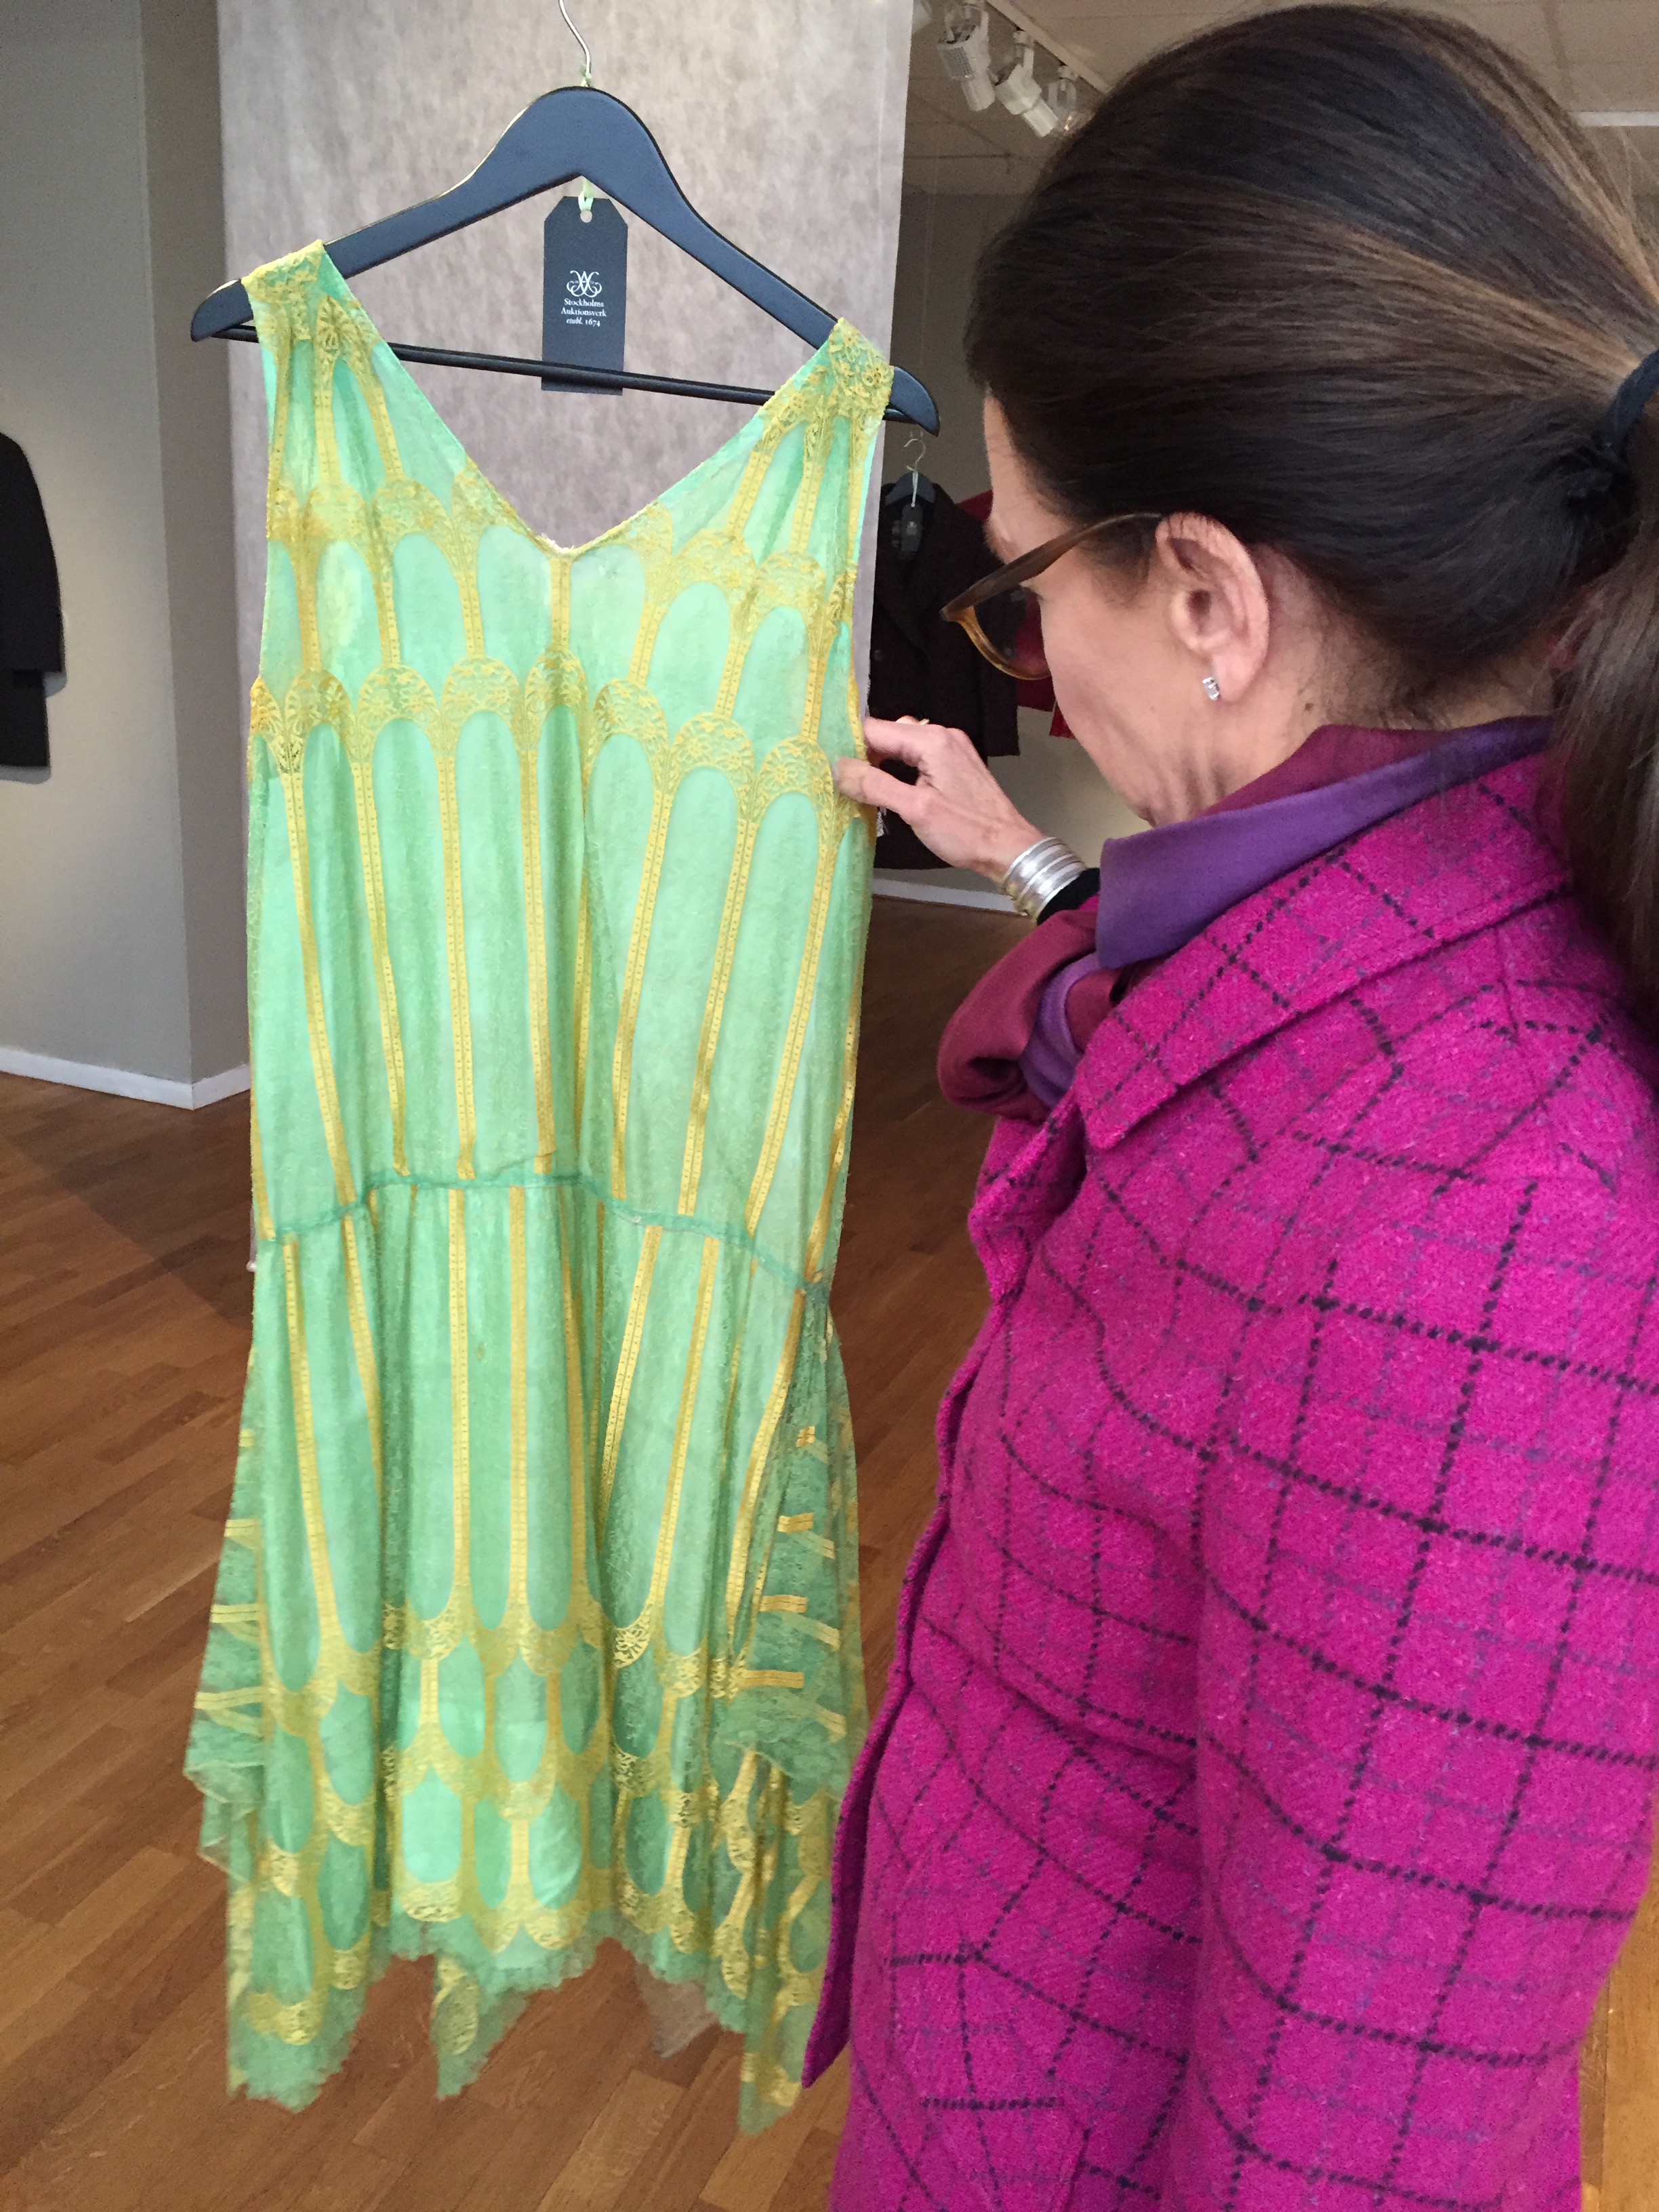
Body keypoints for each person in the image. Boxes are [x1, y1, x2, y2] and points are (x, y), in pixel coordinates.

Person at [802, 7, 1659, 2207]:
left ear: (1205, 597)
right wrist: (1019, 854)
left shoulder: (1514, 1237)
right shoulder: (1406, 911)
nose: (1032, 657)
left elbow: (1369, 2134)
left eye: (1023, 590)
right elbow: (1244, 1045)